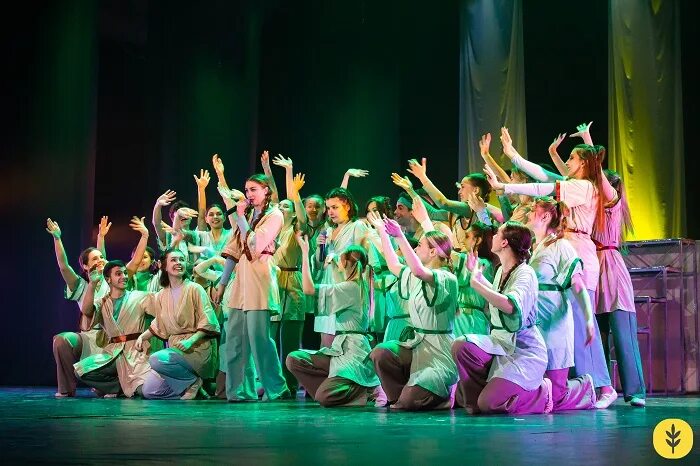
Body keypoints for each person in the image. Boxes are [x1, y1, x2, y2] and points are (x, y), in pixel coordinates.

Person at [485, 126, 617, 408]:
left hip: (578, 251)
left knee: (583, 325)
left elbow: (542, 186)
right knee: (568, 326)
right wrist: (513, 156)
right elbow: (543, 176)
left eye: (571, 158)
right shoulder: (572, 186)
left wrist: (505, 187)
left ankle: (603, 386)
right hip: (564, 248)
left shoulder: (584, 186)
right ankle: (572, 384)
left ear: (584, 164)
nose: (566, 162)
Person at [452, 222, 552, 415]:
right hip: (501, 342)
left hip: (522, 349)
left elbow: (510, 305)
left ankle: (541, 393)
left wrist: (477, 285)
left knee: (490, 403)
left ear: (505, 242)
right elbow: (498, 293)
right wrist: (477, 276)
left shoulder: (525, 273)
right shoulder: (501, 271)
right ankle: (476, 400)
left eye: (497, 233)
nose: (493, 236)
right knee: (461, 346)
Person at [369, 214, 458, 411]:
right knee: (381, 352)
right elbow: (394, 265)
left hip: (438, 352)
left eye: (419, 245)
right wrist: (382, 232)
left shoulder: (446, 278)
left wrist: (400, 236)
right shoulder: (417, 275)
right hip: (417, 345)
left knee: (411, 401)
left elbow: (418, 270)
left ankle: (443, 396)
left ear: (433, 251)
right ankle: (399, 397)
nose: (416, 249)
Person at [218, 172, 291, 401]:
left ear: (266, 190)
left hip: (259, 275)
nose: (249, 194)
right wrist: (223, 283)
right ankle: (239, 391)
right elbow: (234, 249)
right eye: (247, 190)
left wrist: (240, 217)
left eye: (254, 189)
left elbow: (255, 244)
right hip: (241, 278)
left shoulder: (275, 215)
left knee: (259, 339)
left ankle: (276, 388)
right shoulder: (248, 214)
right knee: (235, 339)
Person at [286, 233, 379, 407]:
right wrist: (335, 264)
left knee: (324, 397)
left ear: (347, 264)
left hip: (352, 352)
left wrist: (305, 253)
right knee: (294, 359)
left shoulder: (350, 288)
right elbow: (338, 282)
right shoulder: (356, 285)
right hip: (339, 349)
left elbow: (308, 289)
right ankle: (332, 388)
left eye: (341, 261)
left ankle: (360, 391)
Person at [526, 197, 597, 411]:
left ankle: (584, 388)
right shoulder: (534, 248)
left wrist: (588, 319)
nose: (528, 213)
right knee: (540, 388)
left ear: (545, 216)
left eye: (533, 210)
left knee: (555, 395)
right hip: (536, 322)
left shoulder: (561, 246)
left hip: (554, 322)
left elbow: (578, 284)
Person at [136, 248, 220, 399]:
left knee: (156, 359)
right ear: (164, 266)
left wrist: (190, 341)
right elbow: (159, 323)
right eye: (173, 260)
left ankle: (193, 381)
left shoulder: (195, 289)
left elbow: (208, 320)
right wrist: (142, 337)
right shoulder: (161, 295)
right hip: (176, 348)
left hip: (197, 347)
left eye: (181, 260)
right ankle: (191, 386)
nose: (178, 263)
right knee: (149, 391)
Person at [74, 259, 155, 398]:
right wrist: (92, 284)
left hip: (135, 353)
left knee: (144, 391)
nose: (124, 276)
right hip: (113, 353)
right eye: (118, 274)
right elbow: (87, 311)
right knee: (81, 370)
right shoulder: (102, 302)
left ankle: (129, 387)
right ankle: (118, 388)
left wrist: (148, 333)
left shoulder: (139, 297)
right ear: (108, 279)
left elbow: (163, 315)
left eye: (125, 273)